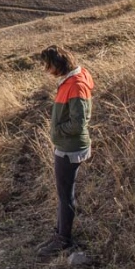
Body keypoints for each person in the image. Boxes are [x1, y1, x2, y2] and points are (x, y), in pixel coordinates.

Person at [36, 45, 94, 258]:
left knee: (65, 195)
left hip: (70, 147)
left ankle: (64, 239)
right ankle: (60, 233)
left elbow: (78, 123)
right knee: (63, 194)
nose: (46, 70)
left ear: (58, 64)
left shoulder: (76, 85)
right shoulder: (72, 80)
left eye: (48, 65)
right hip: (68, 145)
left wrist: (58, 131)